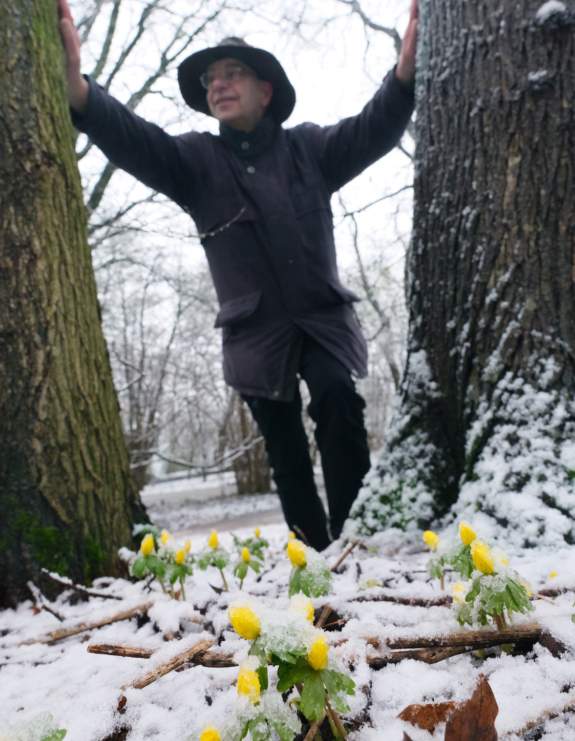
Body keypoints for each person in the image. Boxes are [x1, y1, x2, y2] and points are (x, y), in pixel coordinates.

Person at [58, 0, 419, 551]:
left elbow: (371, 130)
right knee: (286, 454)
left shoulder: (309, 150)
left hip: (321, 321)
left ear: (264, 90)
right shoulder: (195, 163)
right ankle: (316, 558)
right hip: (255, 338)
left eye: (233, 73)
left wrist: (404, 76)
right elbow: (134, 138)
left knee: (337, 401)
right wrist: (79, 91)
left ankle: (355, 543)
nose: (218, 85)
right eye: (210, 79)